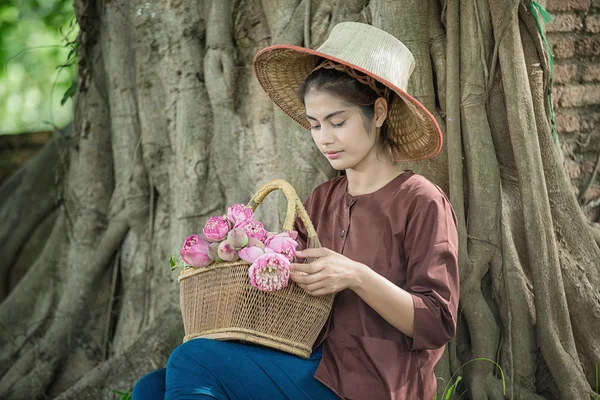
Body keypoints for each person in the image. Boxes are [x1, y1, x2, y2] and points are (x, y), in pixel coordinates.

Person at [132, 21, 459, 400]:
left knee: (194, 361)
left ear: (380, 112)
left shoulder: (420, 200)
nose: (325, 138)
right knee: (151, 388)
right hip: (308, 363)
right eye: (315, 124)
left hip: (373, 384)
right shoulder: (322, 199)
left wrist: (355, 275)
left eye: (338, 122)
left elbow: (437, 323)